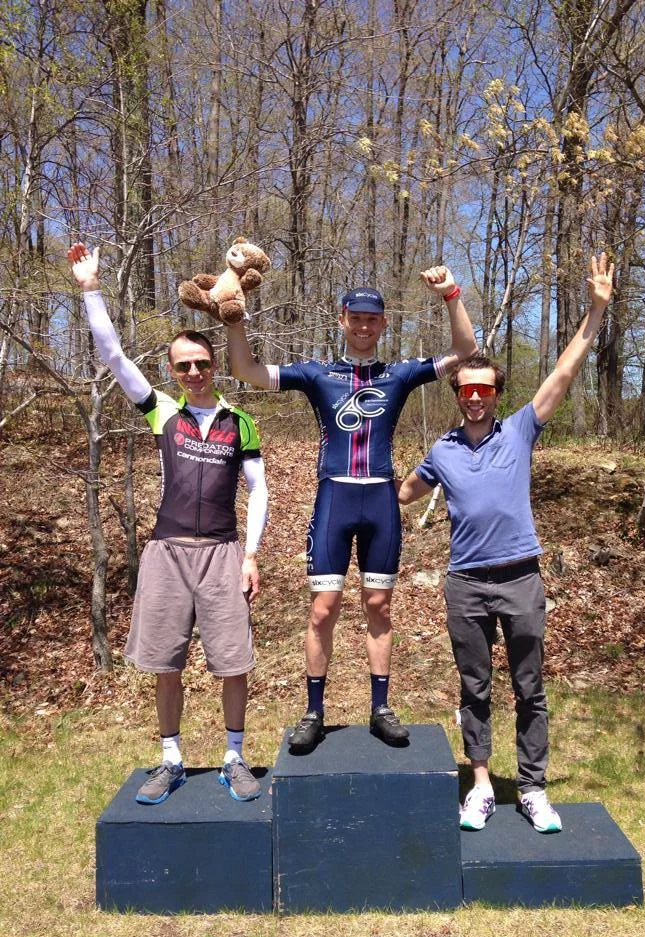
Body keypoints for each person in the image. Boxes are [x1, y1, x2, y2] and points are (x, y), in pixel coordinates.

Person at [399, 253, 614, 833]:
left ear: (496, 394)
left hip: (519, 578)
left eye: (484, 390)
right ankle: (482, 787)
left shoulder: (520, 430)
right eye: (466, 389)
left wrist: (594, 313)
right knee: (474, 687)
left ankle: (534, 789)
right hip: (465, 584)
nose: (474, 397)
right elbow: (401, 494)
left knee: (529, 688)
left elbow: (563, 373)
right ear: (457, 393)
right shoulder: (442, 451)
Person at [227, 269, 477, 752]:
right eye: (356, 318)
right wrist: (235, 320)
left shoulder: (399, 374)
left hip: (381, 498)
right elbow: (246, 370)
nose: (364, 326)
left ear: (383, 324)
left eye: (372, 319)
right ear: (342, 320)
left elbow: (465, 350)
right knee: (323, 610)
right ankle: (313, 712)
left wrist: (450, 294)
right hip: (334, 499)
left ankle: (381, 708)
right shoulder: (317, 373)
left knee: (379, 606)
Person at [67, 242, 269, 804]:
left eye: (202, 363)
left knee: (233, 663)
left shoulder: (239, 421)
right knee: (166, 663)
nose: (194, 372)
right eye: (184, 366)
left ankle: (234, 757)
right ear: (174, 372)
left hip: (223, 553)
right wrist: (91, 290)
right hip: (167, 552)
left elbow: (258, 490)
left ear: (213, 365)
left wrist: (251, 555)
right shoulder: (162, 410)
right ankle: (171, 760)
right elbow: (113, 355)